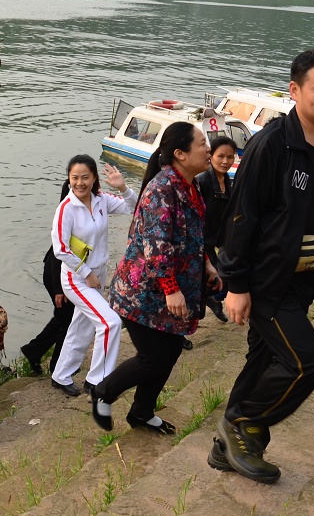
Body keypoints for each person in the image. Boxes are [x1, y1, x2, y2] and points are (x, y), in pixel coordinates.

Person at [211, 49, 314, 485]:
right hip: (267, 279)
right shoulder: (271, 146)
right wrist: (236, 285)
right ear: (296, 91)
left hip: (306, 279)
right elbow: (240, 218)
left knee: (264, 358)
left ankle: (224, 449)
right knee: (308, 362)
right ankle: (242, 424)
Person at [92, 124, 218, 435]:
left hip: (173, 290)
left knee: (171, 351)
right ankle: (103, 392)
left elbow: (191, 237)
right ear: (180, 154)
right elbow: (156, 246)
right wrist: (171, 290)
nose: (208, 149)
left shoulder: (191, 185)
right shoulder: (162, 189)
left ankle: (142, 411)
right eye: (202, 144)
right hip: (143, 293)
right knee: (153, 357)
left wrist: (207, 265)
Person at [49, 155, 138, 398]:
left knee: (82, 328)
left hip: (98, 274)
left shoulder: (101, 200)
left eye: (85, 177)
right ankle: (97, 381)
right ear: (69, 178)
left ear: (94, 178)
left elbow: (133, 207)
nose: (80, 183)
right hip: (76, 280)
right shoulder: (66, 209)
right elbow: (60, 249)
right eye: (74, 178)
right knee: (110, 323)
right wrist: (86, 274)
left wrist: (122, 186)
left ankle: (60, 375)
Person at [20, 181, 75, 376]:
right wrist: (58, 290)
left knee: (64, 319)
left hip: (61, 273)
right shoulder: (66, 214)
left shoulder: (78, 212)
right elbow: (57, 256)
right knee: (66, 321)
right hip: (55, 273)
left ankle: (34, 351)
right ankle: (56, 365)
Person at [195, 135, 238, 323]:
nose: (225, 161)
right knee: (207, 279)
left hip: (218, 238)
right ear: (211, 155)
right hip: (201, 241)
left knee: (225, 276)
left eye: (230, 157)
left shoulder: (227, 181)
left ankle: (210, 300)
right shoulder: (202, 180)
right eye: (221, 156)